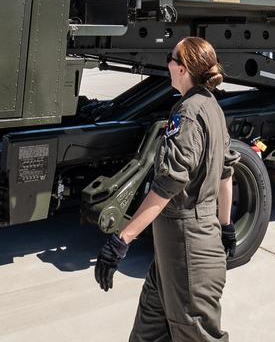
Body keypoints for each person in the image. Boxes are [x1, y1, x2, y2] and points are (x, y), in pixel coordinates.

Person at [94, 37, 237, 341]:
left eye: (170, 59)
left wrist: (122, 239)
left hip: (188, 250)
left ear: (183, 69)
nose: (167, 64)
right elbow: (226, 175)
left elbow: (169, 184)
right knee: (148, 333)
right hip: (175, 253)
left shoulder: (187, 113)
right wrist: (226, 226)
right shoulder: (211, 105)